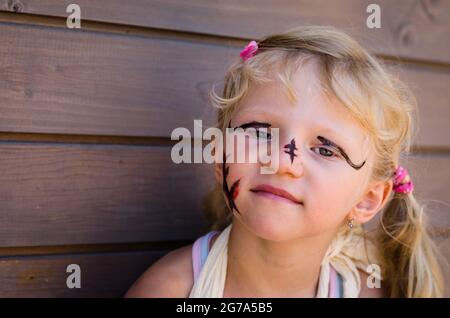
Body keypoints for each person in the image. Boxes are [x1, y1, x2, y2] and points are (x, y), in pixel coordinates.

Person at [125, 25, 444, 298]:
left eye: (325, 149)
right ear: (221, 156)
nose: (281, 162)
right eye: (261, 132)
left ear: (367, 199)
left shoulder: (366, 292)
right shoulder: (171, 290)